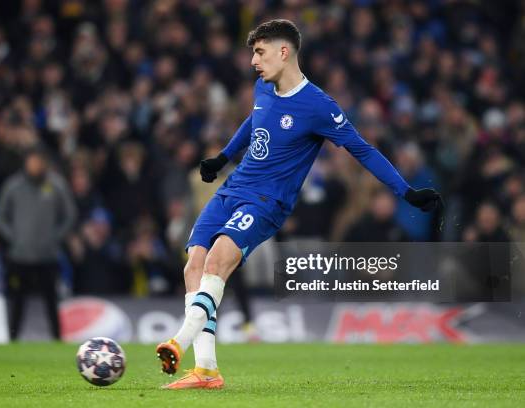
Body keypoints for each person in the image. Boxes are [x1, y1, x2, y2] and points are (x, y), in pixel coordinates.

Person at [155, 19, 441, 389]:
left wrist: (407, 192)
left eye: (259, 52)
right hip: (232, 189)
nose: (254, 62)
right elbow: (254, 120)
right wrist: (223, 157)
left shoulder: (319, 106)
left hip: (265, 201)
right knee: (193, 263)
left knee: (218, 260)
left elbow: (363, 150)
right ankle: (206, 370)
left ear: (283, 52)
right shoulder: (263, 86)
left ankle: (178, 341)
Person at [0, 146, 76, 340]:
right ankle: (12, 339)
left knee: (51, 301)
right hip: (19, 256)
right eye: (32, 160)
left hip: (47, 255)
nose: (35, 165)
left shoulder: (56, 185)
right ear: (26, 162)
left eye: (39, 161)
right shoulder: (14, 186)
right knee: (17, 301)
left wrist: (55, 236)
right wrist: (14, 237)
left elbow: (70, 214)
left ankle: (57, 339)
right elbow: (0, 217)